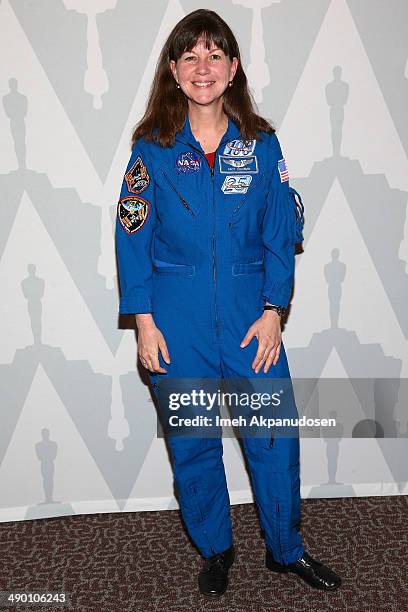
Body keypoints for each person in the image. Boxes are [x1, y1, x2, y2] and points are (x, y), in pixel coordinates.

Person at [115, 9, 341, 598]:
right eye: (189, 56)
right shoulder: (152, 148)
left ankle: (285, 551)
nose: (203, 67)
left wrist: (274, 311)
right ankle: (216, 549)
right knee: (192, 445)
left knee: (273, 439)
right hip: (175, 320)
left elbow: (279, 229)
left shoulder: (262, 145)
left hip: (250, 319)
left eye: (215, 55)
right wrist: (143, 321)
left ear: (234, 67)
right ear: (173, 70)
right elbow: (131, 234)